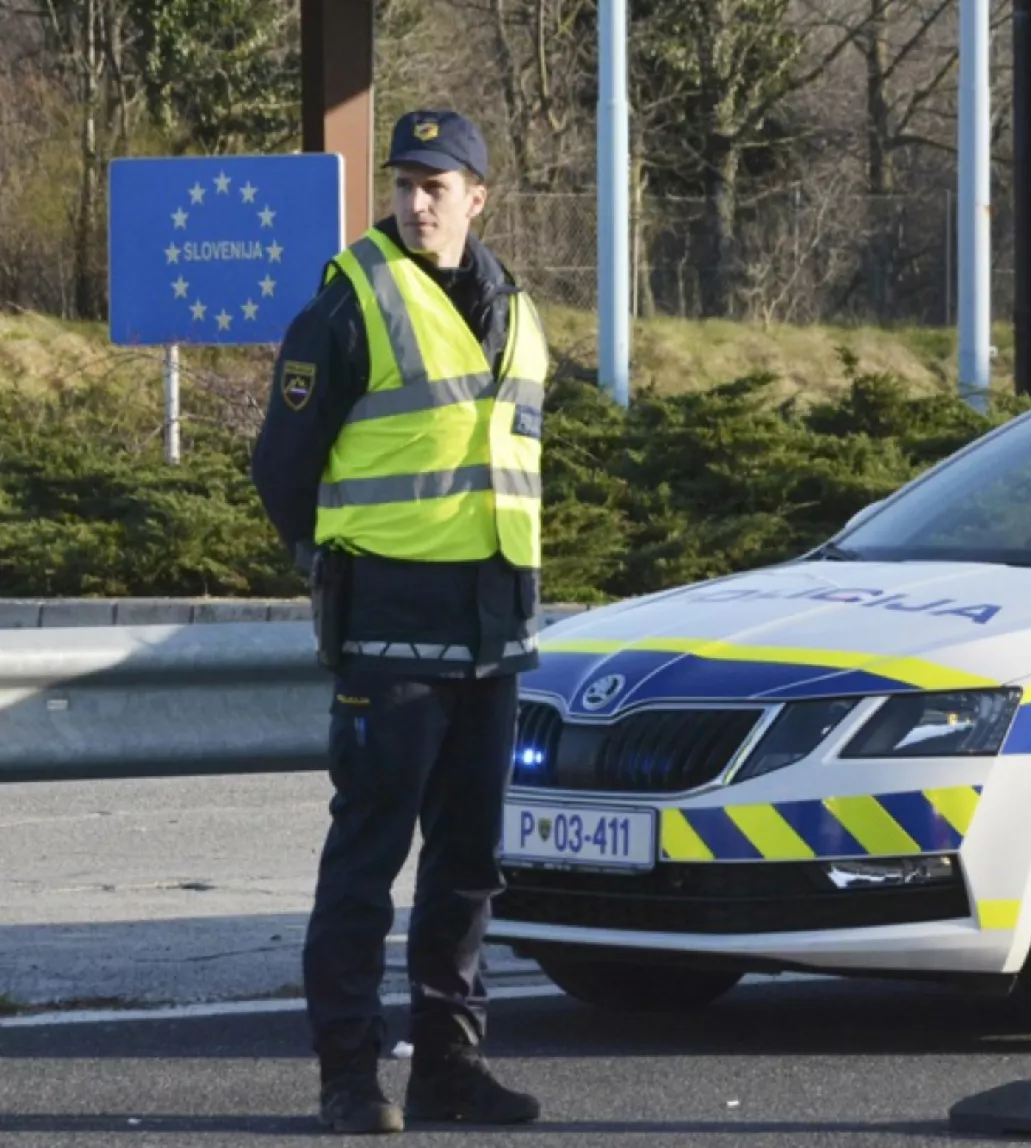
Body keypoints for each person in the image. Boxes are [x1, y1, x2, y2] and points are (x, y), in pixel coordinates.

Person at [251, 109, 546, 1135]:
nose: (418, 203)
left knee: (467, 866)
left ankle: (450, 1070)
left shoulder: (517, 308)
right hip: (390, 628)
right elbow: (281, 466)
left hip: (494, 630)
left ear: (477, 198)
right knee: (367, 862)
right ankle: (349, 1075)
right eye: (406, 184)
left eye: (437, 186)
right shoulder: (352, 300)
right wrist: (334, 565)